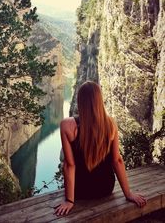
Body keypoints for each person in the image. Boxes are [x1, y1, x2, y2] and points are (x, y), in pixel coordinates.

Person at [54, 81, 147, 216]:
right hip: (105, 187)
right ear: (99, 100)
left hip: (80, 191)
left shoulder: (67, 125)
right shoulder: (110, 124)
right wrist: (128, 194)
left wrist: (69, 200)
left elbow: (69, 165)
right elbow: (117, 161)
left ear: (80, 101)